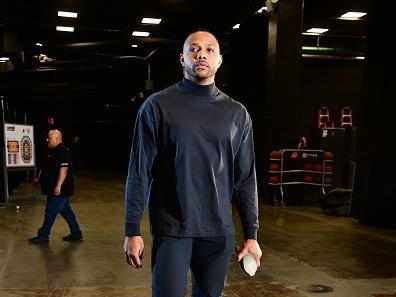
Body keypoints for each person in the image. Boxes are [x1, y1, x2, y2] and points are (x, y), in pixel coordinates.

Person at [123, 30, 262, 296]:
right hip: (173, 228)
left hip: (217, 232)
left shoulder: (237, 113)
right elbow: (138, 171)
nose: (201, 54)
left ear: (219, 61)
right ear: (182, 59)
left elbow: (245, 178)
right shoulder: (157, 107)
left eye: (210, 50)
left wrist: (252, 235)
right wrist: (132, 230)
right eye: (194, 49)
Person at [28, 129, 83, 244]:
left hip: (59, 190)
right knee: (66, 211)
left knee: (50, 211)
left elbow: (64, 169)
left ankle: (43, 235)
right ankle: (76, 233)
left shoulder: (63, 151)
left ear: (57, 139)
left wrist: (58, 186)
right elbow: (44, 168)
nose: (47, 139)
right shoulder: (50, 151)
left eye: (49, 137)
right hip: (53, 188)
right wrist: (38, 179)